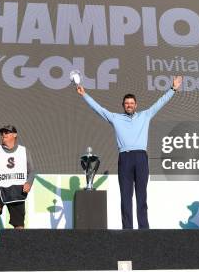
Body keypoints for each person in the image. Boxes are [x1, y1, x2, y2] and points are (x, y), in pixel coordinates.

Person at [76, 76, 182, 229]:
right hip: (125, 158)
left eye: (132, 103)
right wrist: (84, 94)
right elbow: (98, 109)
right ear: (123, 105)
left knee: (141, 196)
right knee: (125, 196)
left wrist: (172, 89)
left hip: (141, 158)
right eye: (127, 103)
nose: (129, 105)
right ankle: (127, 230)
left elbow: (160, 103)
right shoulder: (115, 118)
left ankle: (144, 229)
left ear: (136, 105)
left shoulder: (145, 115)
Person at [0, 124, 36, 245]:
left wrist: (29, 183)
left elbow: (32, 171)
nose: (3, 135)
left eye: (7, 132)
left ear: (15, 135)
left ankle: (18, 247)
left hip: (17, 188)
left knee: (18, 223)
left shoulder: (24, 151)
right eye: (2, 133)